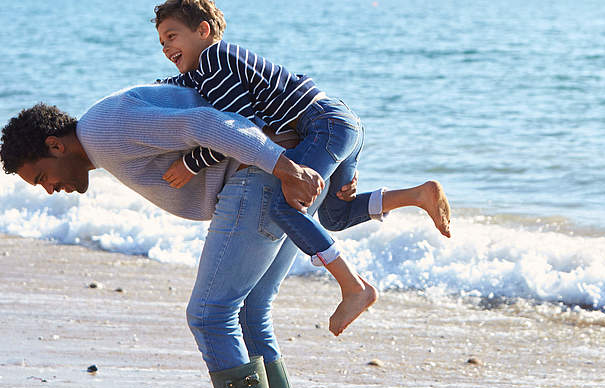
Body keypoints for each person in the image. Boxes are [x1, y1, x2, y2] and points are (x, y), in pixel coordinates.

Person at [0, 84, 328, 388]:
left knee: (210, 315)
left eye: (43, 177)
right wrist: (287, 166)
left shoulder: (102, 130)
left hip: (266, 178)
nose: (49, 189)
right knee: (249, 315)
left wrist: (284, 169)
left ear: (56, 146)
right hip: (280, 174)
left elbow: (204, 122)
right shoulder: (103, 134)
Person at [151, 0, 452, 335]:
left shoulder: (213, 59)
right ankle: (418, 194)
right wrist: (161, 89)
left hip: (322, 125)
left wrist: (193, 163)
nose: (166, 47)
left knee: (285, 206)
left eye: (172, 36)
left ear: (203, 31)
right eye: (162, 42)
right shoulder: (211, 67)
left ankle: (354, 287)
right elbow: (196, 92)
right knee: (335, 215)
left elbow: (242, 127)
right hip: (341, 121)